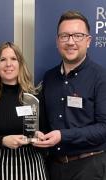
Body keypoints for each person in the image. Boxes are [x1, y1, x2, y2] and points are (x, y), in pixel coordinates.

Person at [34, 10, 106, 180]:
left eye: (78, 36)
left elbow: (104, 127)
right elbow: (44, 123)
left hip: (89, 167)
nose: (70, 42)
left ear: (88, 41)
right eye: (65, 36)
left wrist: (63, 136)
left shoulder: (101, 77)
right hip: (54, 168)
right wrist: (39, 134)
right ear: (58, 41)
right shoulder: (49, 77)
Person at [0, 42, 48, 180]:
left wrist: (40, 137)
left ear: (20, 63)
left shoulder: (34, 96)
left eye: (13, 59)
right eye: (2, 60)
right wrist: (2, 141)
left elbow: (45, 133)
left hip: (32, 167)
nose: (8, 64)